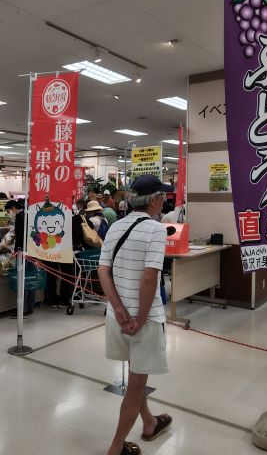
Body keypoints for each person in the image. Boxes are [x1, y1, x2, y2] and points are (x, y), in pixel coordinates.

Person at [98, 174, 173, 455]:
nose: (164, 201)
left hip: (116, 318)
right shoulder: (156, 230)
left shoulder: (115, 226)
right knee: (137, 384)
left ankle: (149, 422)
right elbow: (149, 278)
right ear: (153, 201)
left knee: (134, 376)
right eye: (162, 196)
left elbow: (103, 270)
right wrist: (140, 319)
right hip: (145, 321)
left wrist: (118, 309)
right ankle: (116, 447)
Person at [9, 199, 35, 315]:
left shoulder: (19, 217)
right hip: (31, 250)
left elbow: (20, 236)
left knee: (22, 279)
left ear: (13, 208)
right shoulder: (28, 214)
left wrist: (15, 250)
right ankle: (30, 307)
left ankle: (22, 310)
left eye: (9, 211)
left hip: (22, 252)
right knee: (30, 278)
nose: (9, 213)